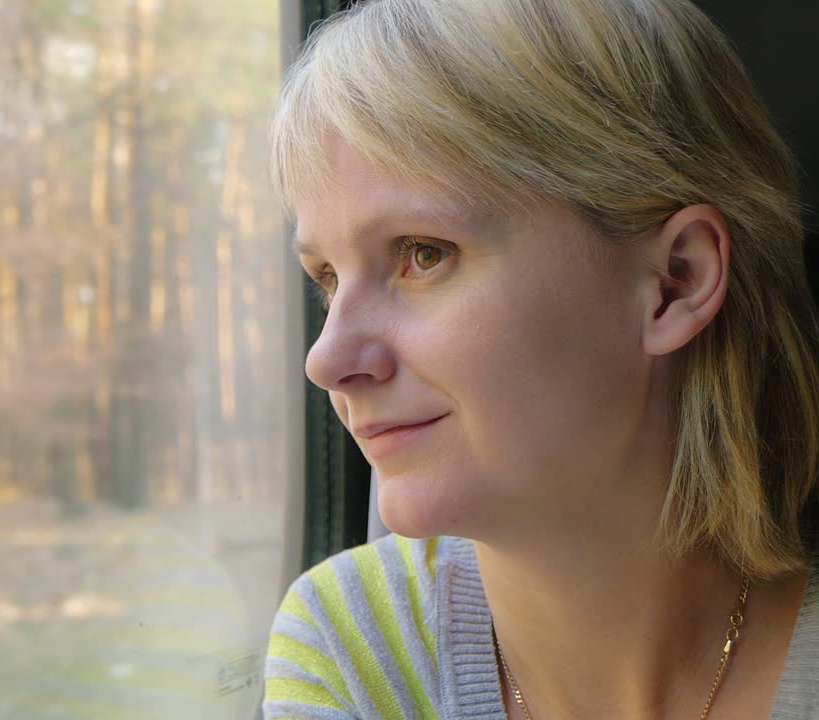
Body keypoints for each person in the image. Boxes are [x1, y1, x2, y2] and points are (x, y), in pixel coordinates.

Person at [263, 0, 819, 718]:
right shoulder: (354, 649)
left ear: (674, 282)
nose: (327, 358)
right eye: (328, 279)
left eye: (423, 255)